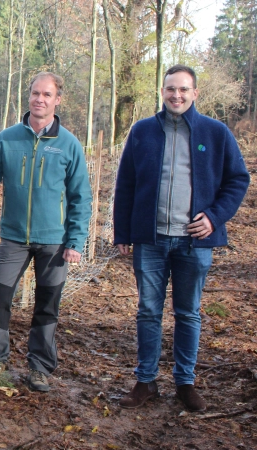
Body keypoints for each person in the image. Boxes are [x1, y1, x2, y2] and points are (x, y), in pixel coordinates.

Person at [114, 64, 249, 412]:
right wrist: (123, 231)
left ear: (195, 93)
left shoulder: (215, 133)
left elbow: (238, 179)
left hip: (195, 243)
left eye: (183, 89)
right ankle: (146, 381)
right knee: (148, 311)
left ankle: (185, 383)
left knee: (188, 313)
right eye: (170, 89)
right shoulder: (143, 131)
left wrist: (215, 217)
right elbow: (126, 183)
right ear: (162, 92)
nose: (177, 95)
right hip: (151, 239)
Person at [0, 72, 92, 392]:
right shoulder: (8, 138)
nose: (40, 99)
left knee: (47, 305)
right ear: (29, 96)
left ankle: (40, 368)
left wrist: (75, 240)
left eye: (47, 95)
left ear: (57, 100)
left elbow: (81, 197)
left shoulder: (69, 144)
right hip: (14, 237)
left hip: (54, 242)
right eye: (35, 93)